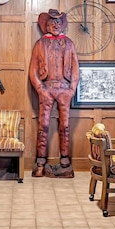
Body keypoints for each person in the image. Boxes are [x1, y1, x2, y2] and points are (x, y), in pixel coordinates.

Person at [29, 9, 80, 178]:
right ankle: (40, 163)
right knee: (43, 126)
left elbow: (75, 69)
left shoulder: (69, 44)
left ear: (62, 25)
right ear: (46, 26)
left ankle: (65, 162)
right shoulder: (40, 44)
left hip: (65, 89)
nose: (56, 25)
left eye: (58, 22)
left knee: (65, 126)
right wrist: (40, 89)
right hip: (47, 89)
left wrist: (71, 89)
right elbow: (33, 71)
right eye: (52, 23)